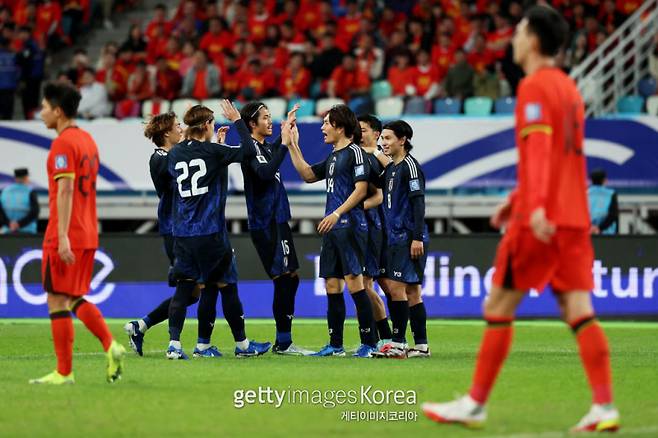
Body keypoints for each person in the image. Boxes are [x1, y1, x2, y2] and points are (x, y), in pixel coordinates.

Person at [422, 6, 620, 432]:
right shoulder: (569, 88)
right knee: (578, 308)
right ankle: (604, 406)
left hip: (542, 219)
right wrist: (517, 199)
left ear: (532, 41)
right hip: (572, 215)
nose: (512, 39)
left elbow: (540, 152)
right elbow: (565, 159)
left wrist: (531, 207)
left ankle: (474, 403)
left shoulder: (534, 86)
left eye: (518, 32)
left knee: (498, 304)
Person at [30, 82, 125, 385]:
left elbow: (67, 188)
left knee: (56, 301)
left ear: (58, 111)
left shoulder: (62, 144)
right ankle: (110, 345)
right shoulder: (88, 141)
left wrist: (62, 236)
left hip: (66, 232)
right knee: (73, 297)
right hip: (88, 231)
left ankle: (64, 372)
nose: (41, 112)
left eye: (44, 107)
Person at [166, 101, 271, 359]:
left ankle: (176, 345)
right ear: (206, 126)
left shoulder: (176, 152)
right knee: (227, 285)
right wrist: (237, 120)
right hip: (210, 232)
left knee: (186, 286)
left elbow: (200, 171)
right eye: (212, 123)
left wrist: (219, 149)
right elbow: (249, 150)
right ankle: (243, 346)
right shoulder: (213, 151)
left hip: (182, 232)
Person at [124, 112, 220, 357]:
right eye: (178, 126)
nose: (182, 129)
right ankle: (175, 345)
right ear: (166, 133)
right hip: (175, 228)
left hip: (184, 227)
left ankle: (140, 326)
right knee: (188, 284)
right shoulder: (160, 158)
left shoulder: (173, 155)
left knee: (193, 294)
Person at [286, 104, 377, 358]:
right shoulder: (334, 156)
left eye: (326, 123)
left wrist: (337, 213)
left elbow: (361, 189)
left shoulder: (355, 153)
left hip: (350, 225)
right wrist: (292, 144)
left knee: (354, 283)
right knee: (332, 285)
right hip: (334, 227)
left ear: (340, 127)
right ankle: (335, 345)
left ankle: (369, 344)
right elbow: (307, 174)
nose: (322, 128)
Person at [238, 101, 313, 356]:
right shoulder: (250, 149)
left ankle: (284, 340)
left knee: (291, 277)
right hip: (265, 223)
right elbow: (265, 173)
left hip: (278, 220)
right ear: (252, 124)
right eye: (265, 118)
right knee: (282, 279)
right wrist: (282, 141)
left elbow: (277, 154)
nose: (270, 121)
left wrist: (289, 136)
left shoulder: (266, 148)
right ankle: (284, 342)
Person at [371, 121, 430, 359]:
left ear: (402, 140)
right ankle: (422, 345)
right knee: (413, 291)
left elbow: (418, 203)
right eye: (382, 138)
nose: (383, 143)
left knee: (397, 288)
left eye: (387, 138)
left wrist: (416, 238)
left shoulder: (410, 167)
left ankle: (398, 342)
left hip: (408, 237)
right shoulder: (392, 168)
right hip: (396, 237)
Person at [357, 114, 393, 345]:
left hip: (379, 227)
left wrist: (354, 209)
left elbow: (393, 177)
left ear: (376, 134)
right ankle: (387, 337)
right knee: (375, 283)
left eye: (363, 130)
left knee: (380, 285)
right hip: (367, 227)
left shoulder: (382, 158)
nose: (359, 134)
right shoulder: (357, 156)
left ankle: (390, 337)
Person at [0, 168, 39, 234]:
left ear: (16, 178)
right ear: (26, 178)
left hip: (7, 231)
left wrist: (9, 224)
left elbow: (0, 211)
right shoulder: (30, 191)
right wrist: (19, 224)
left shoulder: (4, 191)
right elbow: (35, 212)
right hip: (27, 231)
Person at [588, 169, 619, 235]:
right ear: (604, 180)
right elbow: (613, 215)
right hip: (608, 234)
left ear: (591, 180)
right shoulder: (611, 194)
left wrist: (591, 228)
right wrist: (599, 228)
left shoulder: (585, 193)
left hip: (588, 232)